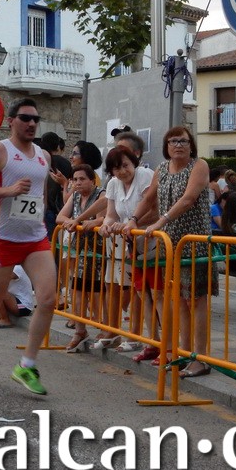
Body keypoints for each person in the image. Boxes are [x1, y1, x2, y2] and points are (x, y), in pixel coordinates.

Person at [0, 97, 56, 395]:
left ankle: (26, 365)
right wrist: (9, 190)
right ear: (11, 121)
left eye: (35, 119)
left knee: (48, 299)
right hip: (3, 238)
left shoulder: (43, 155)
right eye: (25, 118)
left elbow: (40, 196)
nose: (31, 123)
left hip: (35, 238)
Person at [125, 126, 217, 378]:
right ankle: (183, 353)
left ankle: (200, 357)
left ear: (191, 145)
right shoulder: (162, 169)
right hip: (170, 245)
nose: (178, 145)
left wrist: (159, 222)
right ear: (166, 146)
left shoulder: (199, 165)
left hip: (194, 242)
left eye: (183, 141)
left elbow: (188, 199)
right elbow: (148, 199)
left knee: (196, 300)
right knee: (178, 300)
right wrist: (133, 219)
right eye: (173, 141)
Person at [98, 146, 156, 353]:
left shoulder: (145, 176)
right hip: (125, 242)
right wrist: (106, 225)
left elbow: (155, 210)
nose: (122, 171)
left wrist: (132, 223)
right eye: (117, 168)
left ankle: (140, 335)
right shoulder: (113, 184)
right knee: (119, 286)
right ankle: (118, 332)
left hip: (149, 240)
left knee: (144, 291)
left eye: (125, 165)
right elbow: (111, 214)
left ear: (134, 163)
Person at [56, 164, 105, 351]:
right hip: (79, 250)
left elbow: (101, 218)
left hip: (99, 249)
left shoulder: (101, 194)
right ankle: (80, 331)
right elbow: (60, 217)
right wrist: (72, 222)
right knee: (77, 289)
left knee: (98, 292)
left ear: (92, 180)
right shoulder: (75, 196)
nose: (78, 183)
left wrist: (82, 222)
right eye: (75, 179)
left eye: (82, 179)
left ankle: (105, 328)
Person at [40, 131, 73, 240]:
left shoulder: (40, 161)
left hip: (42, 207)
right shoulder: (66, 163)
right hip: (60, 209)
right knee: (55, 243)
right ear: (58, 145)